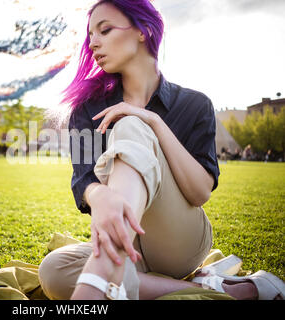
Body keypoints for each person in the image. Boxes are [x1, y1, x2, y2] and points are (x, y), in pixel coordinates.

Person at [38, 0, 284, 300]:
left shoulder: (195, 104)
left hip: (179, 242)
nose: (93, 44)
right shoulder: (87, 109)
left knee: (129, 125)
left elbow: (199, 193)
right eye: (90, 36)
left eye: (104, 30)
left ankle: (102, 273)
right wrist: (99, 194)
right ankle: (214, 288)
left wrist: (153, 122)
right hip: (132, 246)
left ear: (143, 31)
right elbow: (84, 179)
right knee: (53, 270)